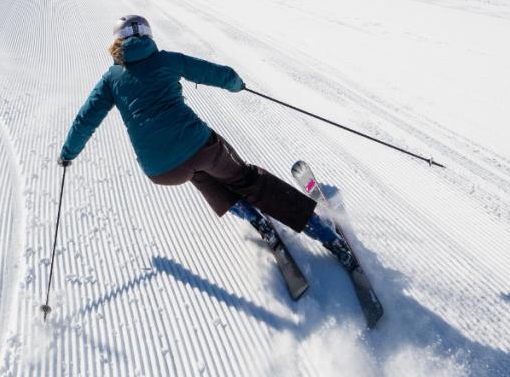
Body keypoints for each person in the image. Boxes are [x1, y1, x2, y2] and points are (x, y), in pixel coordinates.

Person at [58, 14, 343, 247]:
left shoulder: (111, 79)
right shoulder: (166, 60)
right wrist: (237, 84)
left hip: (160, 171)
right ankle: (320, 229)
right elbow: (215, 73)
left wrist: (68, 153)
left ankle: (251, 217)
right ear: (148, 36)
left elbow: (85, 119)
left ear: (117, 43)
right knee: (243, 177)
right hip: (198, 146)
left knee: (197, 171)